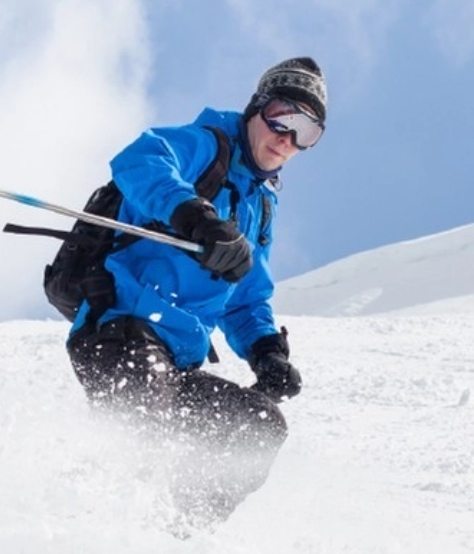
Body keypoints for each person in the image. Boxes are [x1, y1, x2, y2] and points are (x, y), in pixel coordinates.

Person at [67, 57, 327, 526]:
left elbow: (247, 295)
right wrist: (192, 214)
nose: (287, 139)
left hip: (178, 362)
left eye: (307, 133)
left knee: (256, 428)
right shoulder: (207, 146)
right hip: (119, 330)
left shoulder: (260, 206)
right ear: (257, 109)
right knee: (147, 421)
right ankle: (93, 529)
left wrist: (267, 351)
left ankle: (178, 538)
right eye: (283, 117)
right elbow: (139, 159)